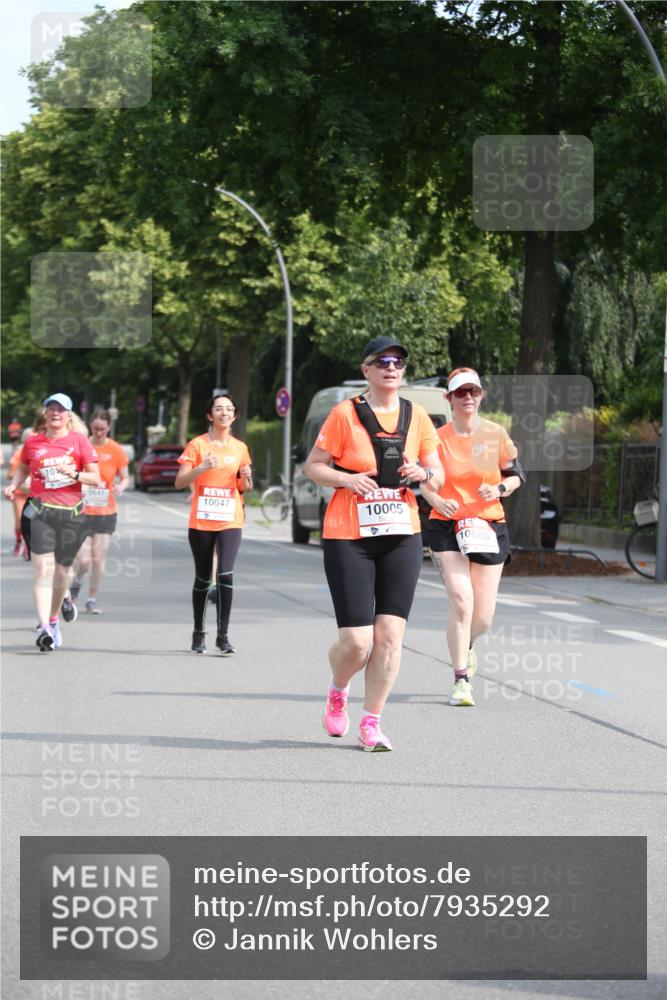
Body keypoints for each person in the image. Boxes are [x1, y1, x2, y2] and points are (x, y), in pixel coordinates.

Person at [304, 336, 443, 752]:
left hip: (401, 532)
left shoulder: (417, 416)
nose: (391, 366)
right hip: (349, 535)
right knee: (358, 642)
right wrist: (347, 479)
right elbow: (313, 466)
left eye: (398, 360)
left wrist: (423, 473)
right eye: (382, 361)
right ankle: (338, 687)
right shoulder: (344, 415)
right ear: (367, 370)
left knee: (390, 635)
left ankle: (371, 721)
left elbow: (437, 472)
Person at [421, 366, 523, 707]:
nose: (467, 398)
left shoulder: (496, 434)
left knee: (483, 616)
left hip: (488, 525)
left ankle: (468, 644)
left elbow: (516, 475)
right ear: (449, 398)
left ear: (481, 396)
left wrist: (498, 488)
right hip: (447, 525)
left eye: (473, 392)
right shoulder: (436, 438)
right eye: (460, 393)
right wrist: (436, 499)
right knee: (462, 601)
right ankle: (460, 680)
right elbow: (425, 481)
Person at [4, 393, 100, 651]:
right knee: (43, 569)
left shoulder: (80, 441)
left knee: (61, 573)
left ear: (69, 416)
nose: (55, 413)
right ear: (46, 414)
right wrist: (13, 485)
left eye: (61, 409)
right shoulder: (33, 442)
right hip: (40, 512)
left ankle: (54, 619)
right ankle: (43, 626)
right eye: (51, 409)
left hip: (70, 516)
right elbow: (23, 467)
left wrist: (75, 474)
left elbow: (96, 478)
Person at [175, 393, 252, 654]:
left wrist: (247, 478)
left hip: (230, 518)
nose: (224, 413)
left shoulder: (240, 447)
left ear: (234, 415)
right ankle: (198, 632)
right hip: (202, 521)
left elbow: (244, 488)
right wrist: (202, 467)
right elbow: (180, 481)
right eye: (219, 409)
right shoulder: (197, 445)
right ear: (210, 415)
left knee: (225, 574)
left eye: (229, 409)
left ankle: (223, 635)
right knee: (203, 576)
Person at [69, 409, 130, 614]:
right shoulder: (81, 445)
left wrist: (122, 485)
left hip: (106, 510)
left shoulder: (116, 449)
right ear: (90, 428)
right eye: (95, 429)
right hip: (82, 509)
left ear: (109, 428)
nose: (99, 433)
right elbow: (72, 473)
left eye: (103, 429)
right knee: (84, 560)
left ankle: (91, 599)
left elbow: (125, 476)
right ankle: (76, 586)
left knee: (98, 558)